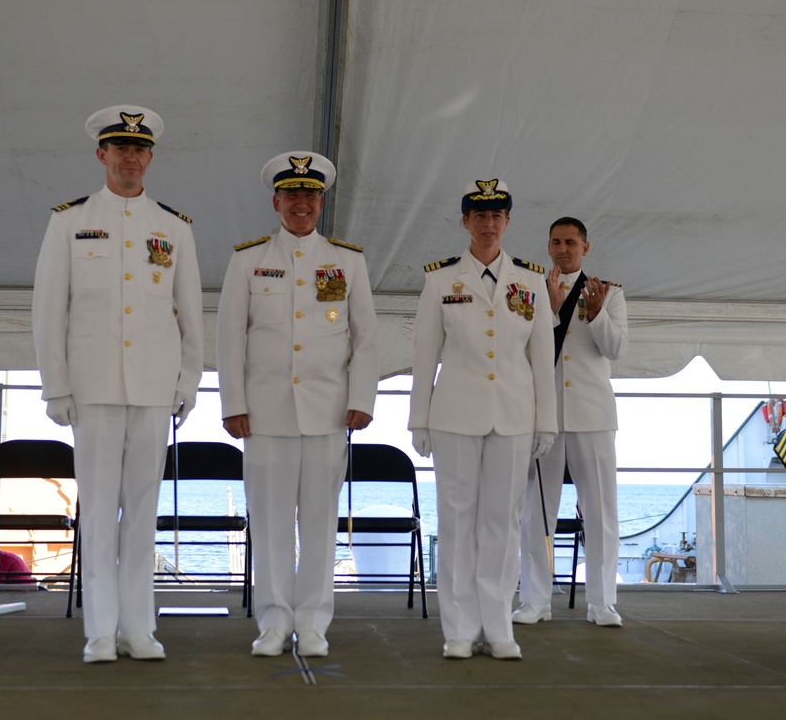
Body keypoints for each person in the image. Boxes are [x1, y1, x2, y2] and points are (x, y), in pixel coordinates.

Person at [32, 105, 203, 663]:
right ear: (101, 154)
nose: (130, 158)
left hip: (154, 390)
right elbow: (48, 310)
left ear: (150, 158)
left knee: (143, 514)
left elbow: (189, 314)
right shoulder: (68, 221)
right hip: (94, 389)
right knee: (100, 514)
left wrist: (188, 381)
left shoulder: (173, 227)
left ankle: (139, 628)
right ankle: (101, 632)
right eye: (119, 148)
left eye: (139, 150)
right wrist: (56, 386)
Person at [216, 151, 379, 658]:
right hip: (264, 414)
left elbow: (367, 338)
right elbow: (229, 338)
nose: (301, 203)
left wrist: (362, 398)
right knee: (267, 523)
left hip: (329, 411)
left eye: (310, 195)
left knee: (319, 524)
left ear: (321, 202)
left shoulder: (348, 261)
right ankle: (272, 621)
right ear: (276, 202)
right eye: (292, 195)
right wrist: (232, 403)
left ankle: (312, 623)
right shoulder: (248, 260)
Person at [408, 179, 557, 660]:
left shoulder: (531, 281)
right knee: (455, 521)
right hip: (453, 415)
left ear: (508, 221)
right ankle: (458, 628)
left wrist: (546, 421)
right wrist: (418, 419)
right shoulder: (439, 280)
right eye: (479, 215)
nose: (488, 223)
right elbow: (424, 355)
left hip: (514, 415)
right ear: (465, 221)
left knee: (503, 523)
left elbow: (541, 357)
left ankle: (498, 627)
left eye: (497, 215)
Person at [514, 216, 629, 628]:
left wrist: (597, 314)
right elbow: (523, 347)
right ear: (548, 247)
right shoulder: (529, 291)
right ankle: (535, 600)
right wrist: (547, 307)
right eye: (556, 242)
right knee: (537, 512)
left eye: (571, 242)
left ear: (585, 247)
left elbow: (616, 349)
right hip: (545, 413)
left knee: (600, 512)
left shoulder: (609, 293)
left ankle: (602, 603)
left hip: (593, 416)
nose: (563, 249)